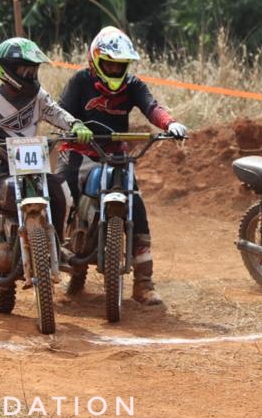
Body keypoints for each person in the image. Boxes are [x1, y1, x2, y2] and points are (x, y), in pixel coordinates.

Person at [0, 37, 94, 318]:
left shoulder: (38, 97)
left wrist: (76, 124)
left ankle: (53, 250)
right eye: (24, 70)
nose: (30, 76)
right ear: (6, 69)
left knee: (62, 194)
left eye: (33, 71)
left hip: (30, 168)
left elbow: (58, 114)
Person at [57, 26, 188, 306]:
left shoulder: (133, 85)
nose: (115, 70)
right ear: (95, 59)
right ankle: (58, 255)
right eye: (110, 64)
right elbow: (61, 112)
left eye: (120, 65)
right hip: (80, 152)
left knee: (137, 207)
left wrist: (170, 123)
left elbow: (152, 106)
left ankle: (143, 282)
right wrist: (74, 126)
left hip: (117, 155)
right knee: (62, 194)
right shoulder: (80, 81)